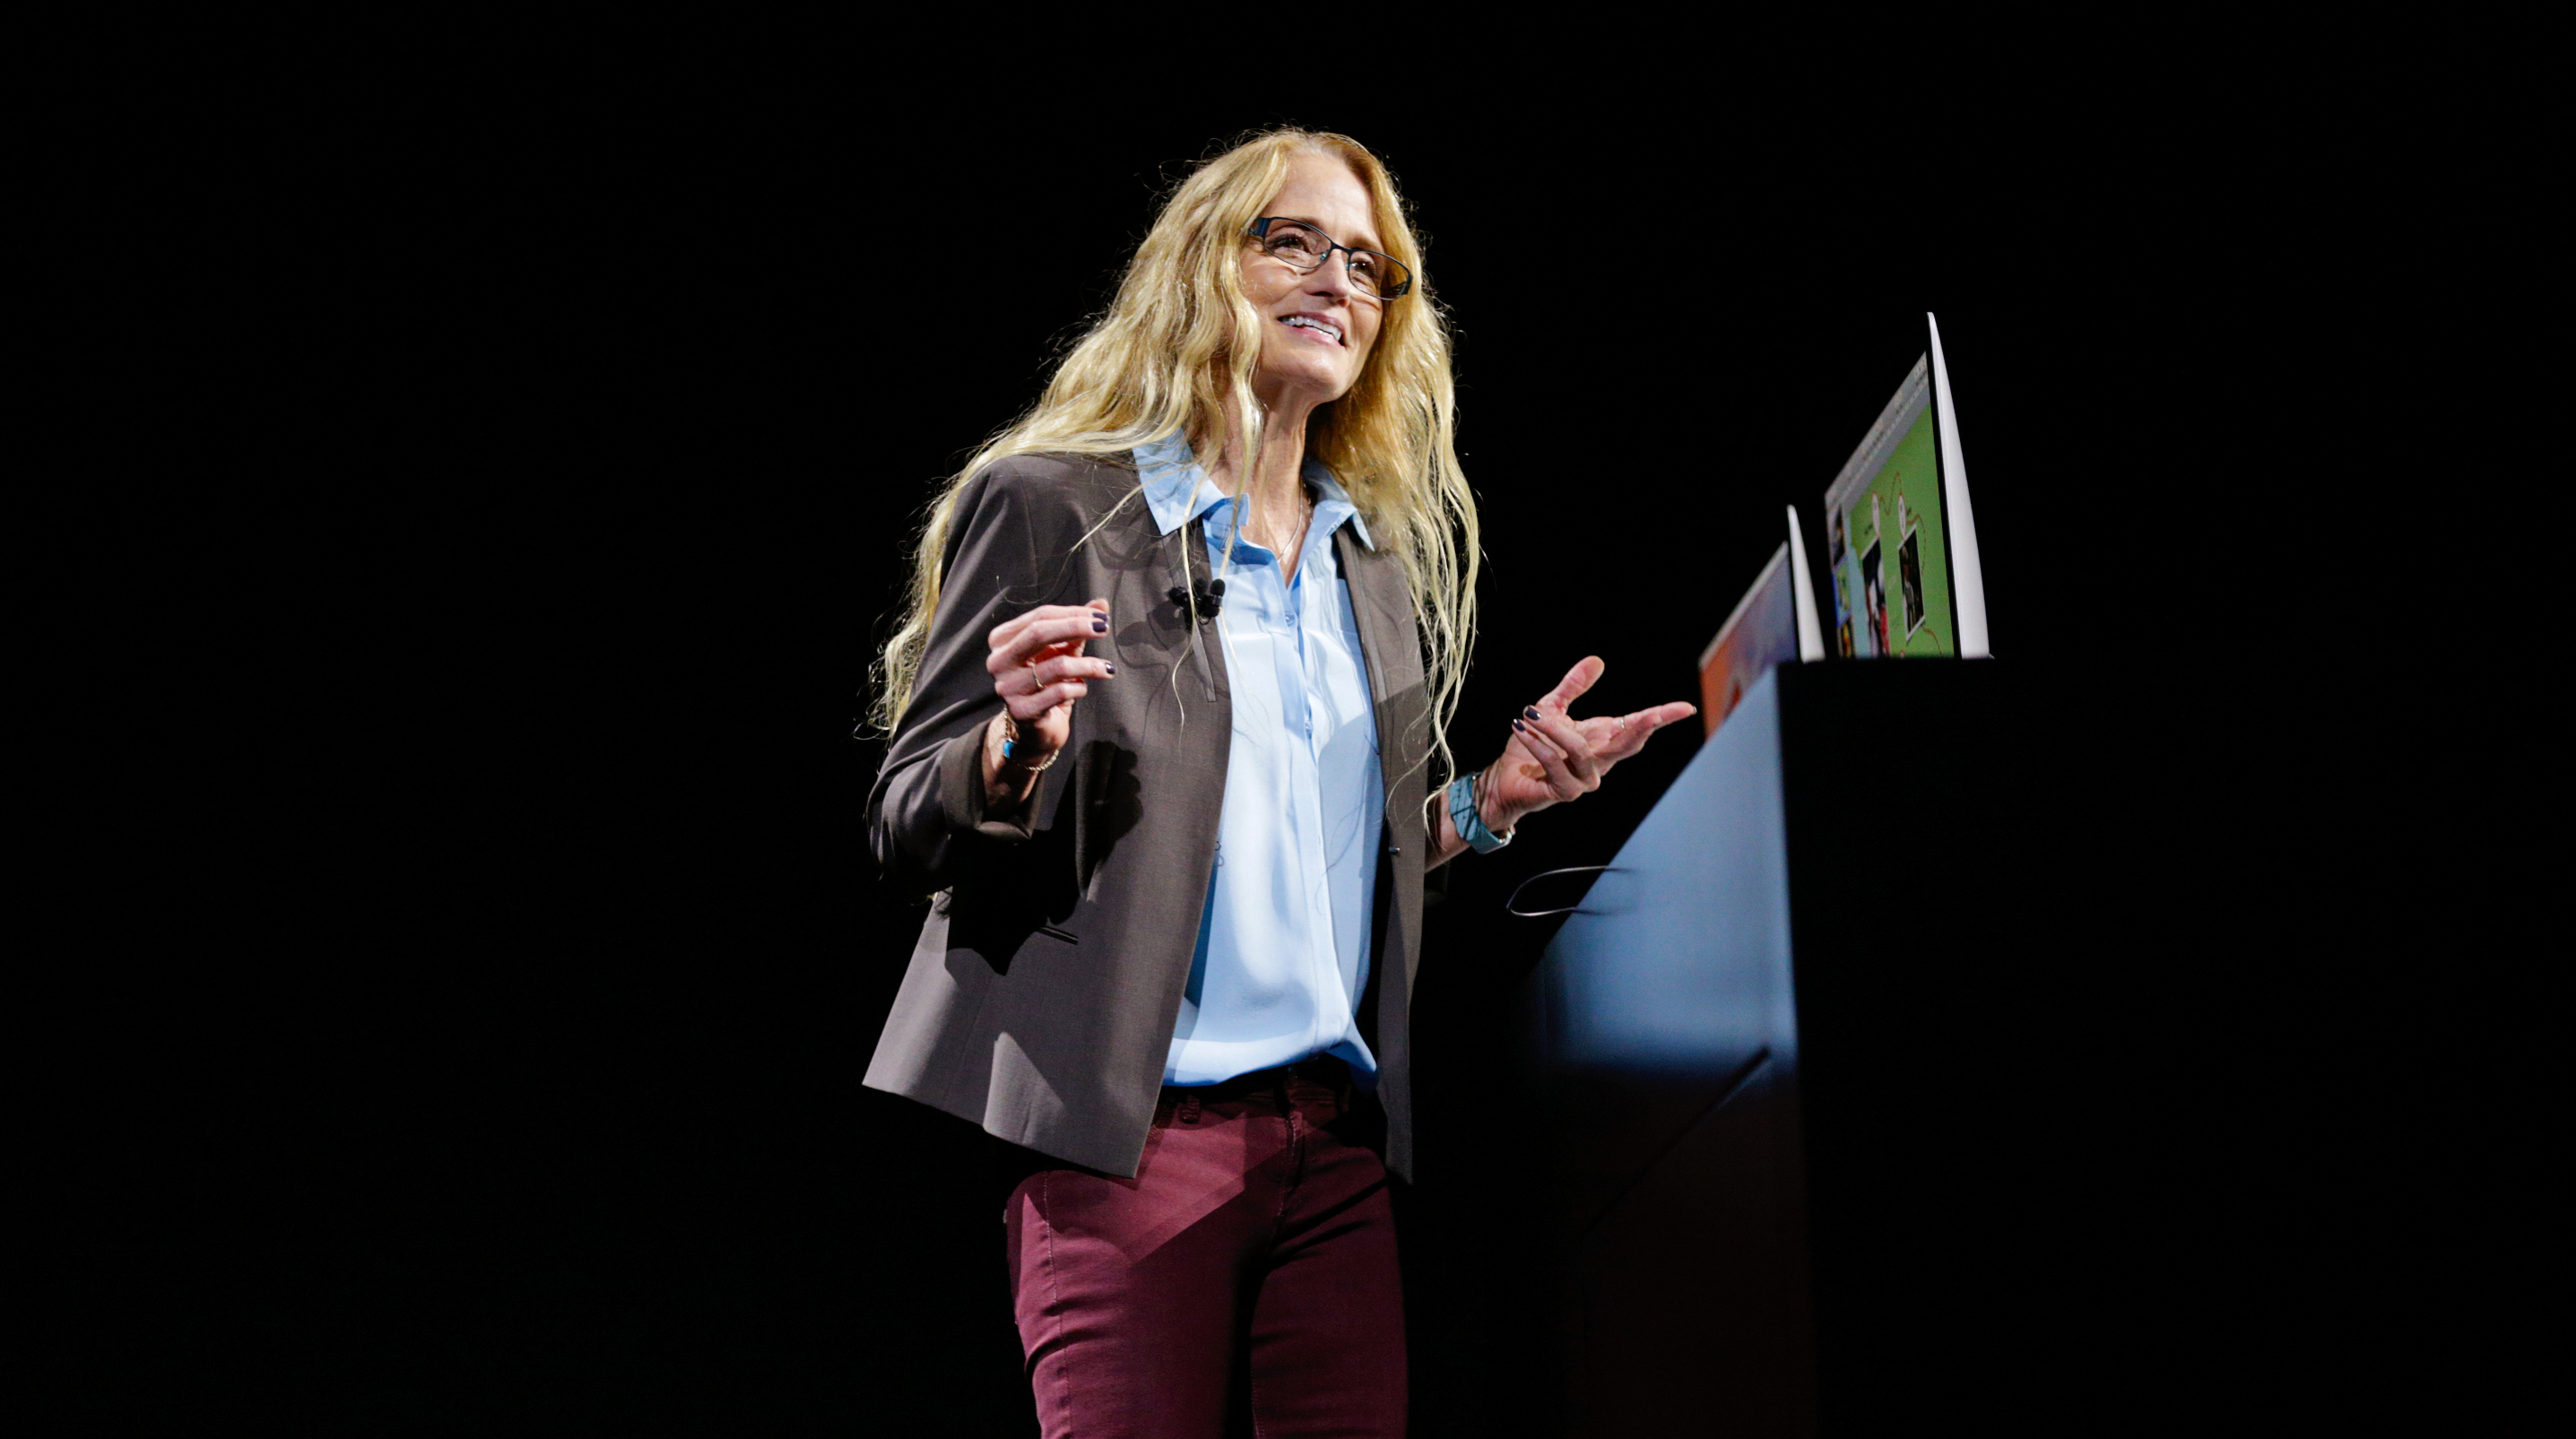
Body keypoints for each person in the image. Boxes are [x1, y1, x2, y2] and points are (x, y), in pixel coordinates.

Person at [863, 128, 1695, 1439]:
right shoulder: (1051, 506)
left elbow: (1323, 861)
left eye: (1368, 264)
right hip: (1126, 1146)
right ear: (1206, 263)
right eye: (1292, 240)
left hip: (1334, 1160)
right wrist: (1011, 743)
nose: (1336, 281)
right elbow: (907, 814)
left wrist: (1491, 801)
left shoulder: (1366, 565)